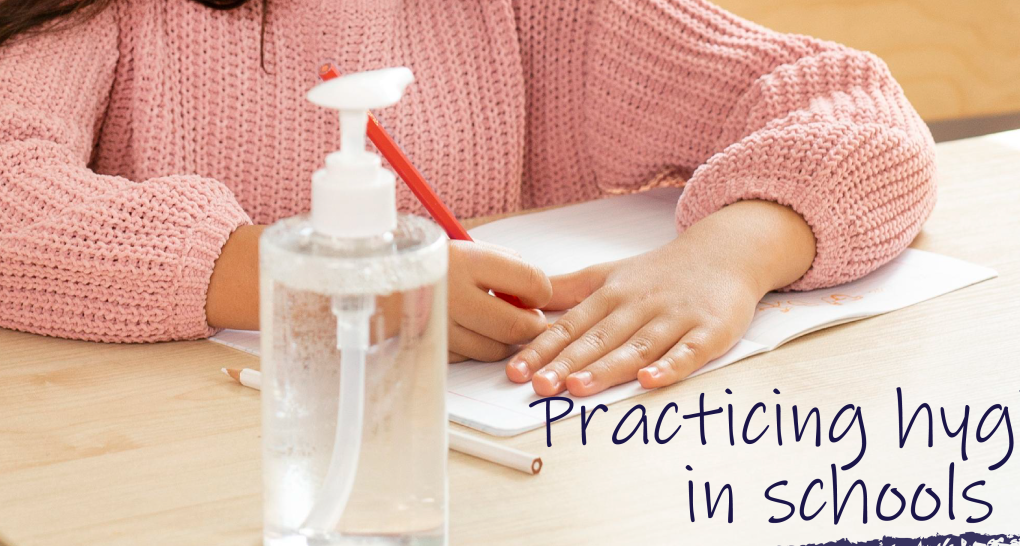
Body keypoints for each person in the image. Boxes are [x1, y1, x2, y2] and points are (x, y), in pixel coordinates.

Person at [0, 0, 936, 398]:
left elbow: (842, 100)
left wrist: (729, 258)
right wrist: (322, 284)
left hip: (502, 474)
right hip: (206, 486)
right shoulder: (103, 18)